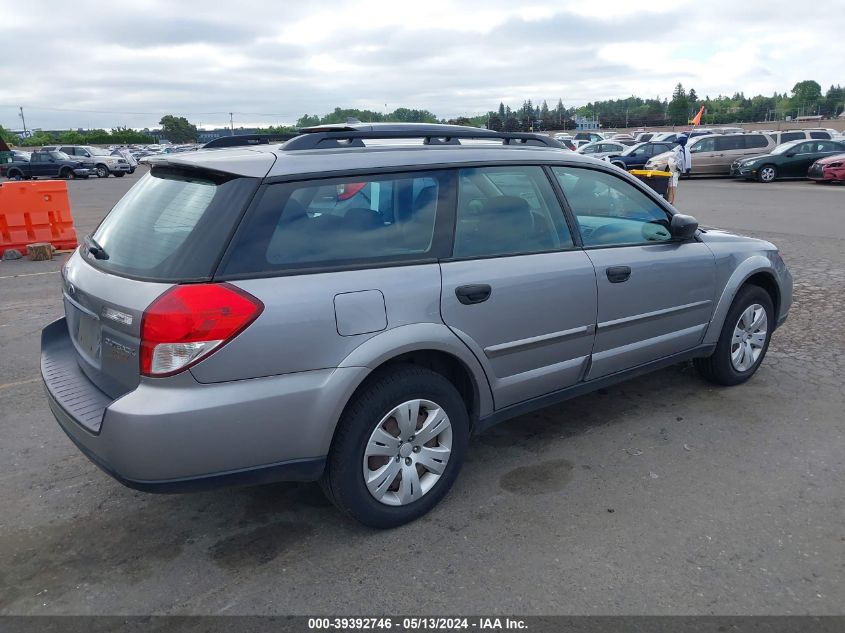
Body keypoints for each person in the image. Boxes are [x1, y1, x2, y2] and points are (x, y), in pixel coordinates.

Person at [666, 135, 691, 204]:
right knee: (671, 184)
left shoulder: (683, 150)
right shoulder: (679, 149)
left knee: (672, 184)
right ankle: (670, 201)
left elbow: (686, 161)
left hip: (676, 171)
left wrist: (686, 169)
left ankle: (671, 201)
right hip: (673, 170)